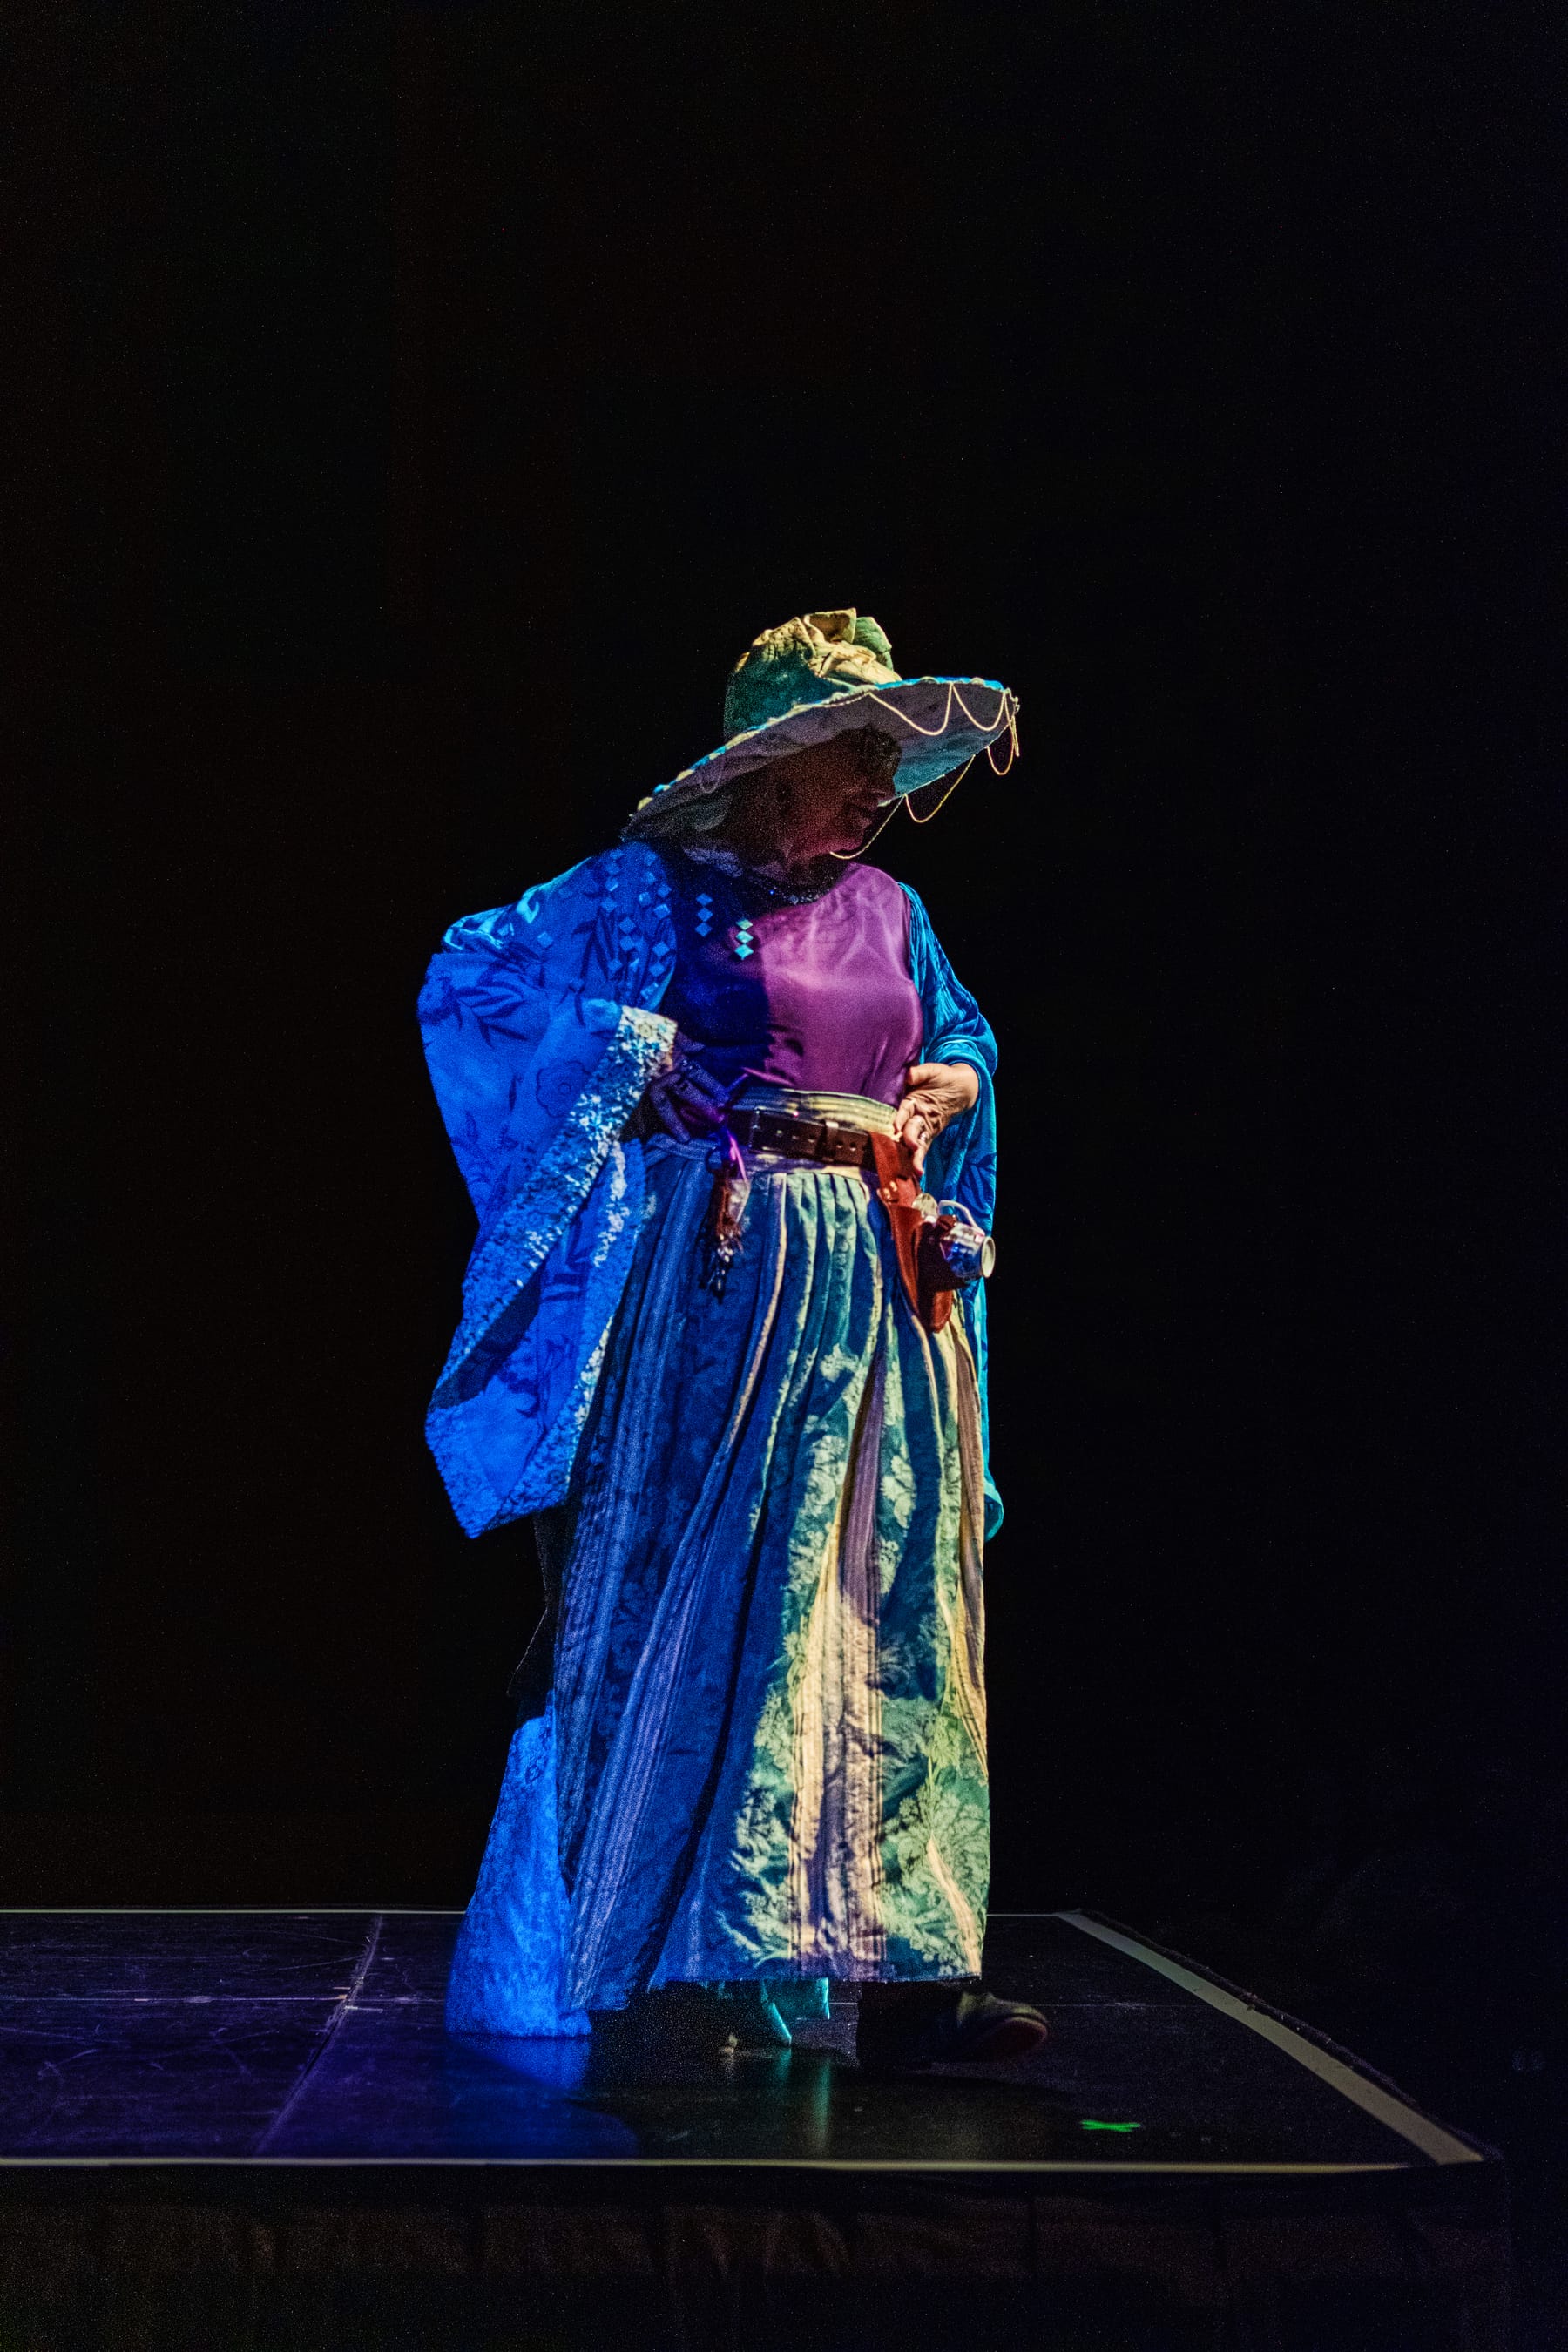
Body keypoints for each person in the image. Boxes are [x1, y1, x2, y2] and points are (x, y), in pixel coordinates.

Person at [422, 608, 1044, 2068]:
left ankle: (905, 1973)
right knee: (719, 1610)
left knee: (884, 1607)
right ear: (774, 769)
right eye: (856, 753)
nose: (881, 783)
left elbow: (956, 1029)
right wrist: (627, 1055)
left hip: (878, 1283)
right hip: (726, 1280)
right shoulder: (649, 895)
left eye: (890, 756)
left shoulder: (893, 910)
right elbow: (473, 980)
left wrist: (956, 1078)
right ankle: (691, 1963)